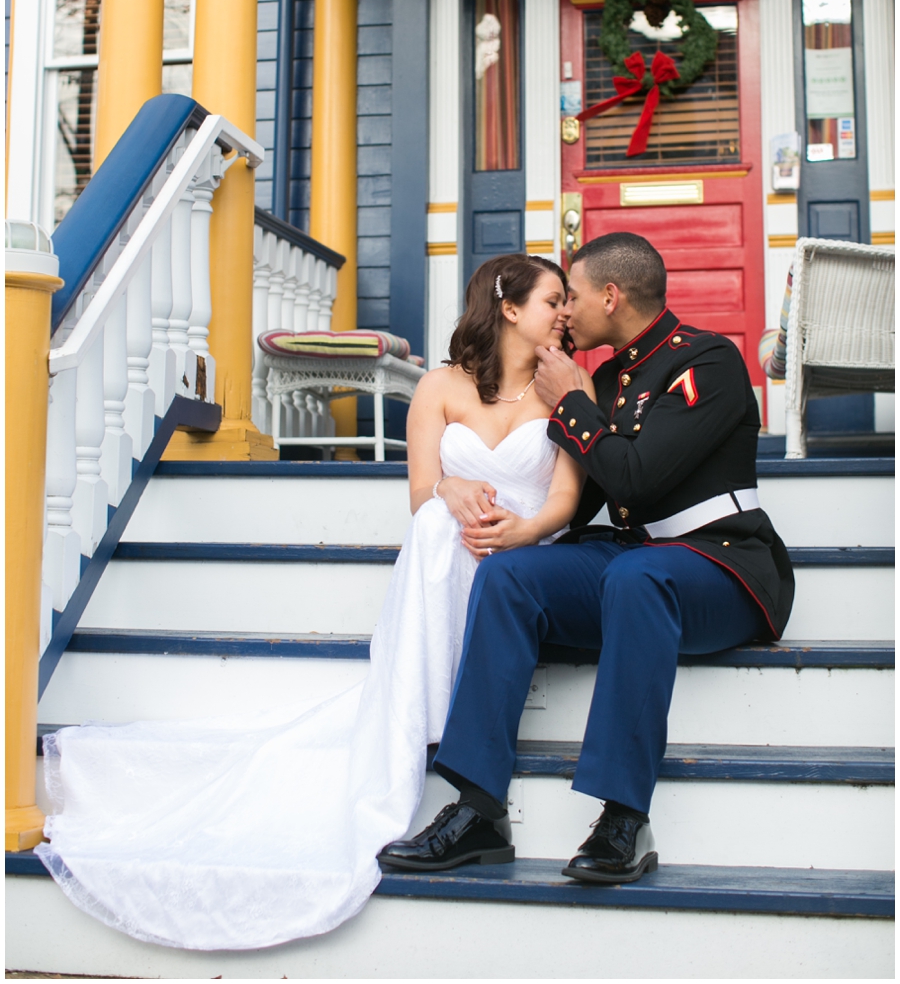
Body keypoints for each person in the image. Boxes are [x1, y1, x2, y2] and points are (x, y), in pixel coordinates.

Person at [36, 254, 593, 950]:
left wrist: (519, 530)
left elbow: (566, 500)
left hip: (526, 557)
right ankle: (424, 707)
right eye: (552, 300)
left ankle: (447, 717)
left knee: (456, 538)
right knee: (432, 524)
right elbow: (422, 491)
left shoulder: (568, 387)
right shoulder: (440, 387)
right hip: (445, 552)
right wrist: (451, 490)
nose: (565, 313)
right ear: (509, 307)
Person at [379, 232, 795, 885]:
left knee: (636, 573)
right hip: (638, 564)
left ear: (611, 295)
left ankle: (624, 818)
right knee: (512, 573)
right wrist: (490, 509)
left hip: (723, 565)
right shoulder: (603, 379)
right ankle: (479, 809)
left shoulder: (706, 363)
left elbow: (634, 479)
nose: (566, 312)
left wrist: (572, 400)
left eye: (571, 295)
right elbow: (580, 499)